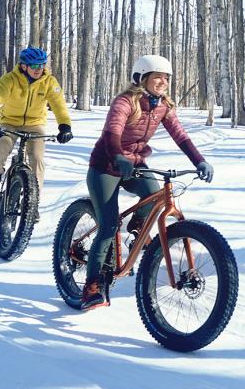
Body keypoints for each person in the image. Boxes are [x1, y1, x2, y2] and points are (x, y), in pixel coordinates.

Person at [78, 54, 213, 311]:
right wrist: (118, 156)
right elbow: (112, 133)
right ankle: (92, 286)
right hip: (105, 167)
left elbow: (180, 136)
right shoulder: (125, 102)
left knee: (155, 198)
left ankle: (138, 228)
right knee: (107, 225)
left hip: (135, 165)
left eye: (166, 78)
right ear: (142, 78)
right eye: (157, 77)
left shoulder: (163, 106)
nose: (163, 82)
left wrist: (199, 161)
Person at [0, 47, 73, 197]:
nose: (38, 69)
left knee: (37, 157)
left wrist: (65, 127)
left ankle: (34, 198)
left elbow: (59, 106)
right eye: (34, 66)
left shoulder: (49, 82)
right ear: (23, 66)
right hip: (9, 122)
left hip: (35, 124)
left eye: (41, 65)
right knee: (3, 145)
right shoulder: (10, 79)